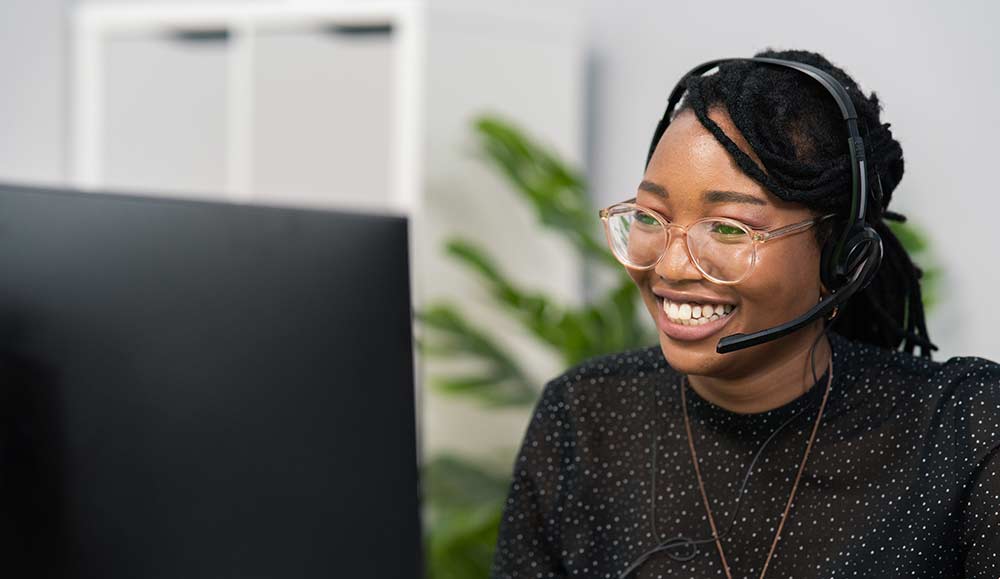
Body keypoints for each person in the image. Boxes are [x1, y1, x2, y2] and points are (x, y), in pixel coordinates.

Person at [490, 49, 1000, 578]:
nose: (672, 264)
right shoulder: (585, 416)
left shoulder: (964, 431)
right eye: (650, 216)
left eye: (731, 228)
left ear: (840, 256)